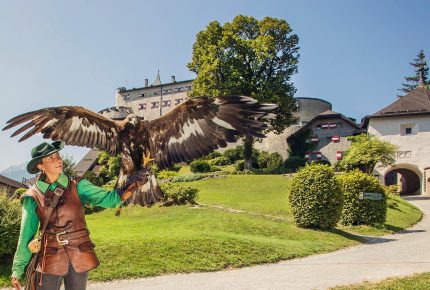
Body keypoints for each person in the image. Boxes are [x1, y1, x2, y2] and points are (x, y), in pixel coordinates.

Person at [11, 141, 137, 290]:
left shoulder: (79, 186)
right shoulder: (33, 196)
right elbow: (26, 234)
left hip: (79, 253)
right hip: (49, 256)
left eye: (57, 155)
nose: (58, 160)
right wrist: (17, 269)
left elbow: (109, 199)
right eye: (50, 158)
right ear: (40, 166)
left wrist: (131, 185)